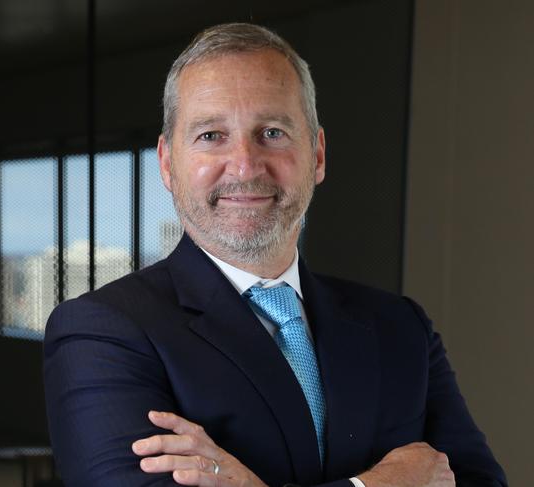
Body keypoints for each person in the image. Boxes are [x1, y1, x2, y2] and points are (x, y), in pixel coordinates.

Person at [43, 23, 507, 487]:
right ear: (167, 163)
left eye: (272, 132)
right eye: (211, 135)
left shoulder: (402, 327)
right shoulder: (102, 334)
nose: (245, 166)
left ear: (318, 155)